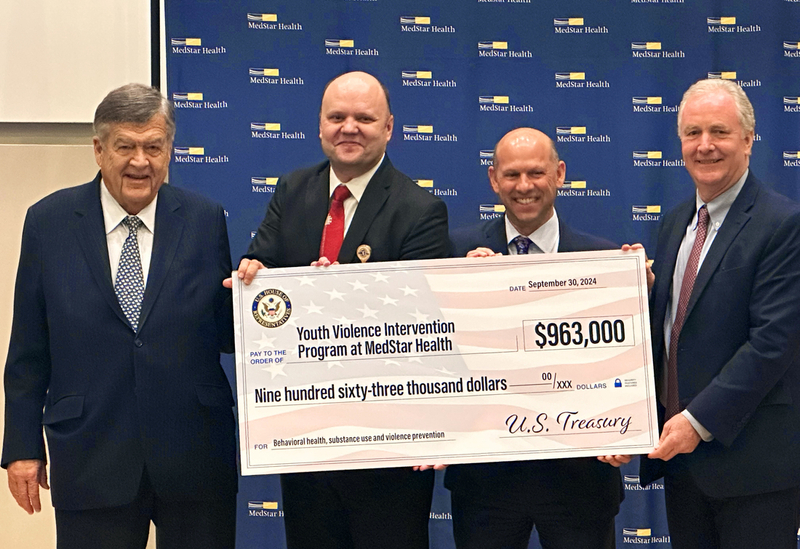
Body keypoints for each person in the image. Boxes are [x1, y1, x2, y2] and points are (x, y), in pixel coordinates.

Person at [2, 84, 237, 549]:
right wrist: (21, 448)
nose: (140, 162)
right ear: (98, 149)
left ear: (169, 149)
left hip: (194, 454)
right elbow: (29, 349)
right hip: (91, 453)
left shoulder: (205, 218)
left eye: (153, 147)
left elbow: (225, 331)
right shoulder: (47, 222)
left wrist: (261, 295)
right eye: (125, 146)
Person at [229, 71, 449, 549]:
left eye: (364, 118)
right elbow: (261, 266)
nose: (349, 127)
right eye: (337, 117)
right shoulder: (292, 191)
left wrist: (333, 299)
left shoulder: (421, 209)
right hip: (305, 442)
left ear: (389, 128)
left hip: (385, 451)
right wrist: (249, 273)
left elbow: (422, 327)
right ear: (320, 126)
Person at [638, 79, 800, 548]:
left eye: (719, 132)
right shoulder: (674, 223)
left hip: (753, 469)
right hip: (684, 467)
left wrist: (696, 422)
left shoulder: (783, 225)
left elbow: (772, 343)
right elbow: (678, 329)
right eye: (692, 133)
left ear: (748, 140)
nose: (704, 146)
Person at [445, 127, 624, 549]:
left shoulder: (604, 262)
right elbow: (432, 359)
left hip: (579, 482)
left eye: (536, 173)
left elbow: (622, 367)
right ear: (493, 179)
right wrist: (461, 295)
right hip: (485, 484)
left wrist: (624, 429)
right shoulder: (453, 256)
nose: (524, 186)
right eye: (512, 175)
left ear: (560, 174)